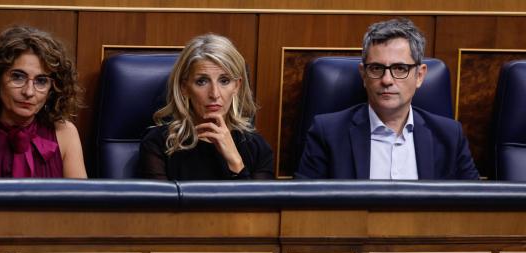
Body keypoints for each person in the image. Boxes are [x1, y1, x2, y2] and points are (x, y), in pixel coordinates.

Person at [296, 18, 479, 180]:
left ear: (420, 76)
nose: (387, 80)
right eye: (376, 68)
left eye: (400, 68)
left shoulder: (449, 136)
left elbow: (473, 207)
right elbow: (304, 207)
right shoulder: (327, 133)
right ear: (363, 74)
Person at [0, 25, 87, 178]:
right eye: (18, 77)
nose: (29, 92)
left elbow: (79, 201)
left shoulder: (65, 134)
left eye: (41, 81)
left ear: (52, 89)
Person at [137, 34, 274, 180]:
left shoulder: (257, 148)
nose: (214, 94)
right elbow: (160, 202)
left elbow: (257, 203)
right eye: (202, 81)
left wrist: (236, 162)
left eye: (224, 80)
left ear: (237, 86)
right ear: (184, 87)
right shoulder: (158, 143)